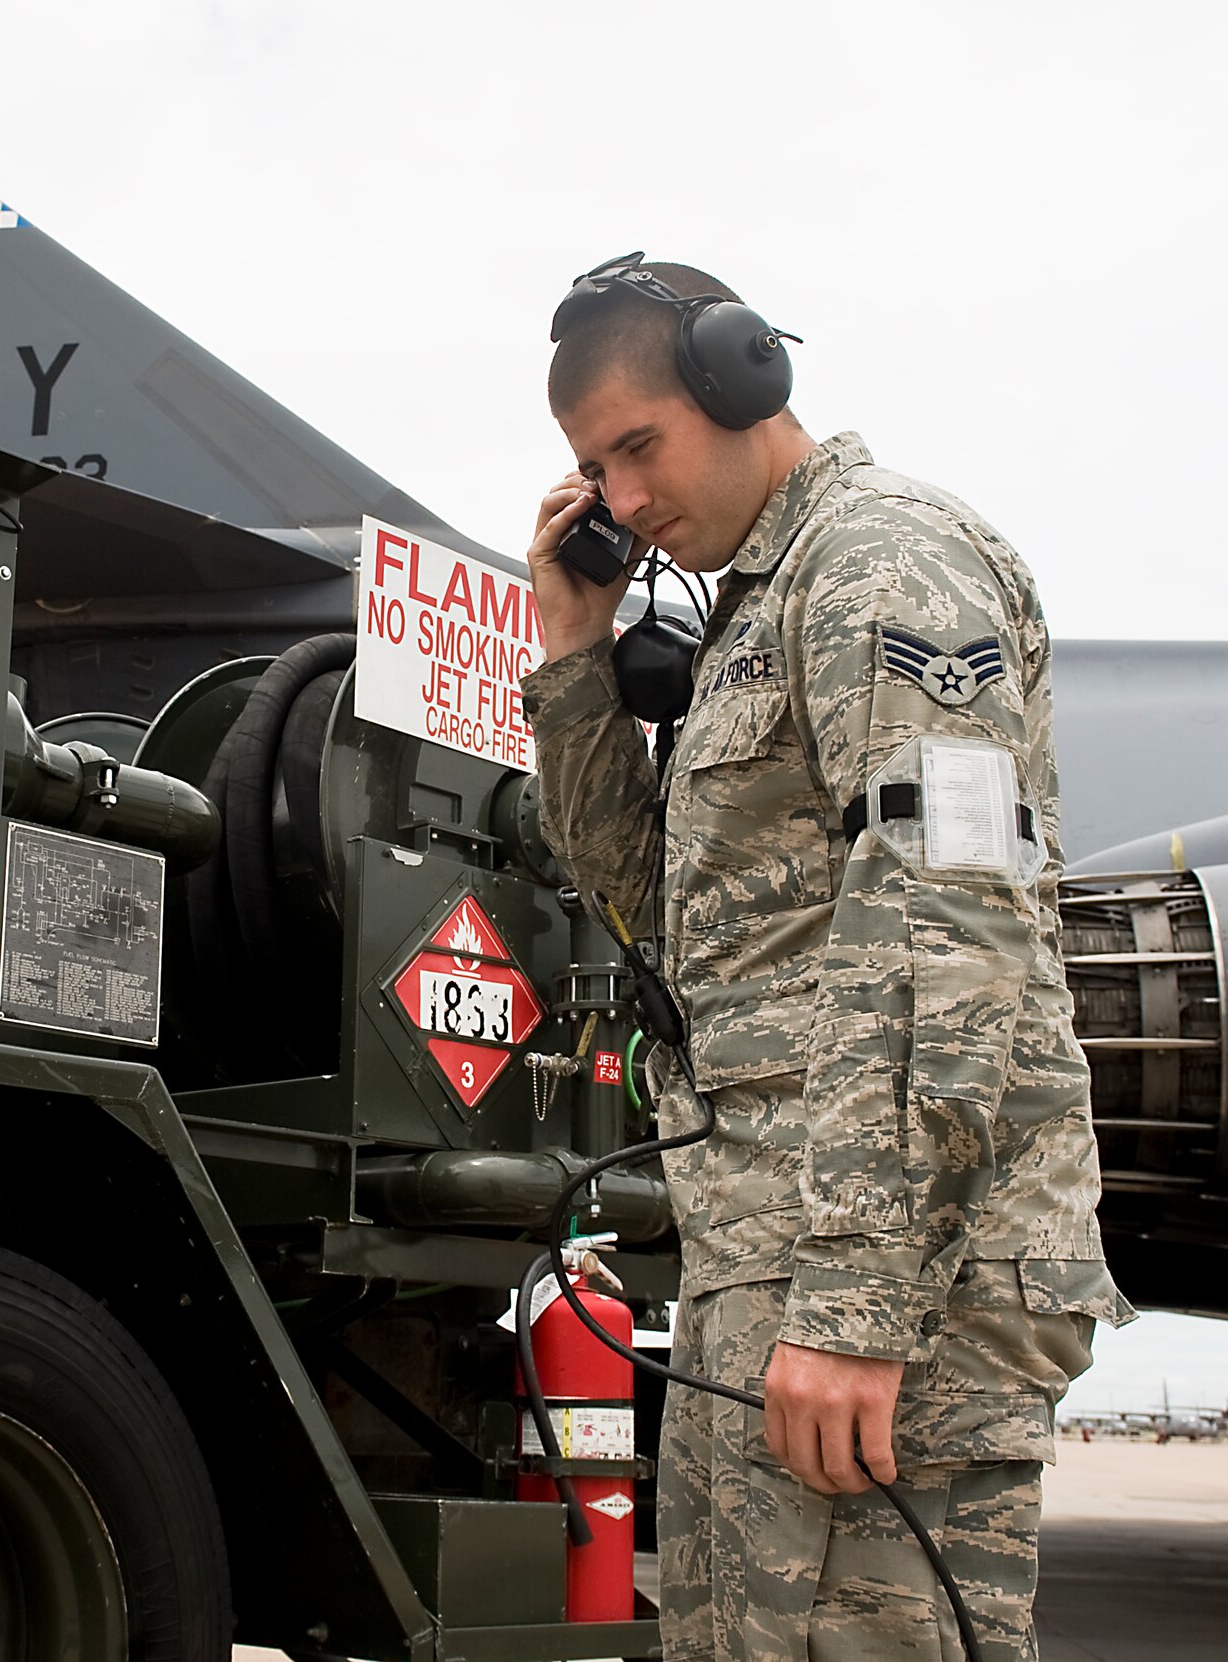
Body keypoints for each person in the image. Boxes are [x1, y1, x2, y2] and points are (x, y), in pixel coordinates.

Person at [519, 254, 1134, 1661]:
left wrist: (860, 1304)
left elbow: (946, 918)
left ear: (744, 380)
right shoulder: (745, 617)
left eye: (636, 445)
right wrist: (574, 649)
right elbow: (645, 903)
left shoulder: (882, 560)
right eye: (589, 467)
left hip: (898, 1282)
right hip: (771, 1260)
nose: (619, 497)